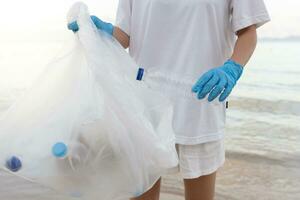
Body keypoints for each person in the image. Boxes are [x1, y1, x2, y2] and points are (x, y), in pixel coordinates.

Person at [68, 0, 270, 199]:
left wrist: (233, 67)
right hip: (145, 104)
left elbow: (248, 32)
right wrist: (98, 33)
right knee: (141, 193)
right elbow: (124, 36)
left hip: (200, 102)